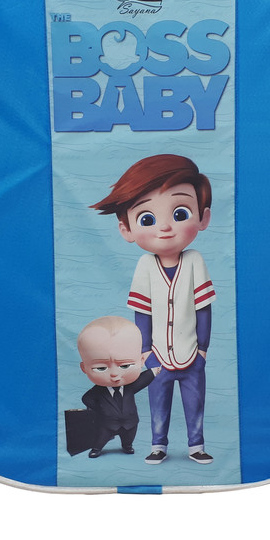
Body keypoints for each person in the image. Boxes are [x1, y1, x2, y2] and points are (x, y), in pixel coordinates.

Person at [92, 154, 215, 465]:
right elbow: (142, 314)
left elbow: (203, 309)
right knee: (158, 402)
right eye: (147, 219)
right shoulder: (145, 265)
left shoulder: (195, 260)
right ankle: (158, 444)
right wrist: (146, 351)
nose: (165, 227)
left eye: (180, 213)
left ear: (203, 218)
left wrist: (202, 349)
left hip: (191, 352)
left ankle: (196, 445)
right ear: (126, 229)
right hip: (158, 354)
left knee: (195, 401)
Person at [78, 316, 157, 459]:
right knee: (101, 437)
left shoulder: (130, 387)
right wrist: (99, 409)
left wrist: (156, 370)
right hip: (107, 423)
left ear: (141, 361)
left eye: (125, 366)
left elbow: (144, 379)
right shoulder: (98, 391)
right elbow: (86, 398)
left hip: (130, 421)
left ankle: (127, 445)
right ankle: (96, 448)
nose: (114, 374)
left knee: (129, 437)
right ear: (84, 368)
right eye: (101, 368)